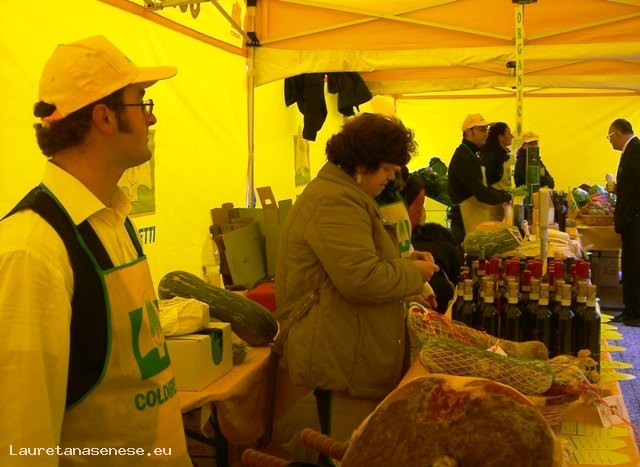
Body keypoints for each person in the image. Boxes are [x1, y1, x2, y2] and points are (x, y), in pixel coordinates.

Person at [0, 36, 191, 466]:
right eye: (141, 103)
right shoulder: (32, 250)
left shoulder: (114, 217)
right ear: (104, 117)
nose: (152, 117)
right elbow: (22, 443)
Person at [275, 113, 439, 442]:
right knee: (347, 449)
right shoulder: (335, 201)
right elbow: (362, 279)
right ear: (363, 164)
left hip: (348, 343)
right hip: (340, 352)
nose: (391, 179)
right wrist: (413, 273)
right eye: (388, 170)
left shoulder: (346, 194)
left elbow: (355, 259)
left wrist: (404, 260)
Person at [447, 114, 513, 246]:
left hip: (471, 217)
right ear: (468, 132)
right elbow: (481, 193)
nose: (486, 134)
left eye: (486, 130)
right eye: (481, 130)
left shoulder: (471, 154)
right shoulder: (464, 157)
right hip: (463, 222)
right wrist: (505, 196)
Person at [606, 119, 640, 327]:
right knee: (630, 264)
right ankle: (631, 309)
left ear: (617, 134)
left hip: (634, 219)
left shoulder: (635, 150)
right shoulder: (631, 150)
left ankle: (635, 311)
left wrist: (633, 212)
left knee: (634, 265)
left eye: (609, 137)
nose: (610, 142)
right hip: (630, 218)